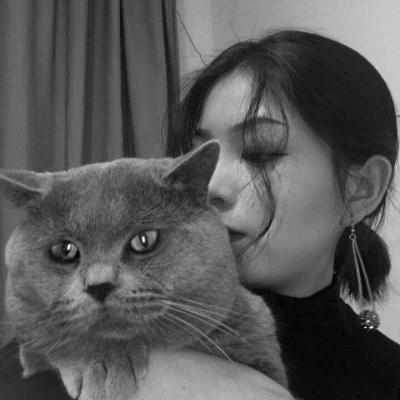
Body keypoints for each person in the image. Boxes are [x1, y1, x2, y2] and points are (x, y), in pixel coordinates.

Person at [1, 29, 399, 400]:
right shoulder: (62, 349)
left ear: (360, 189)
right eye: (198, 157)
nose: (211, 185)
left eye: (260, 152)